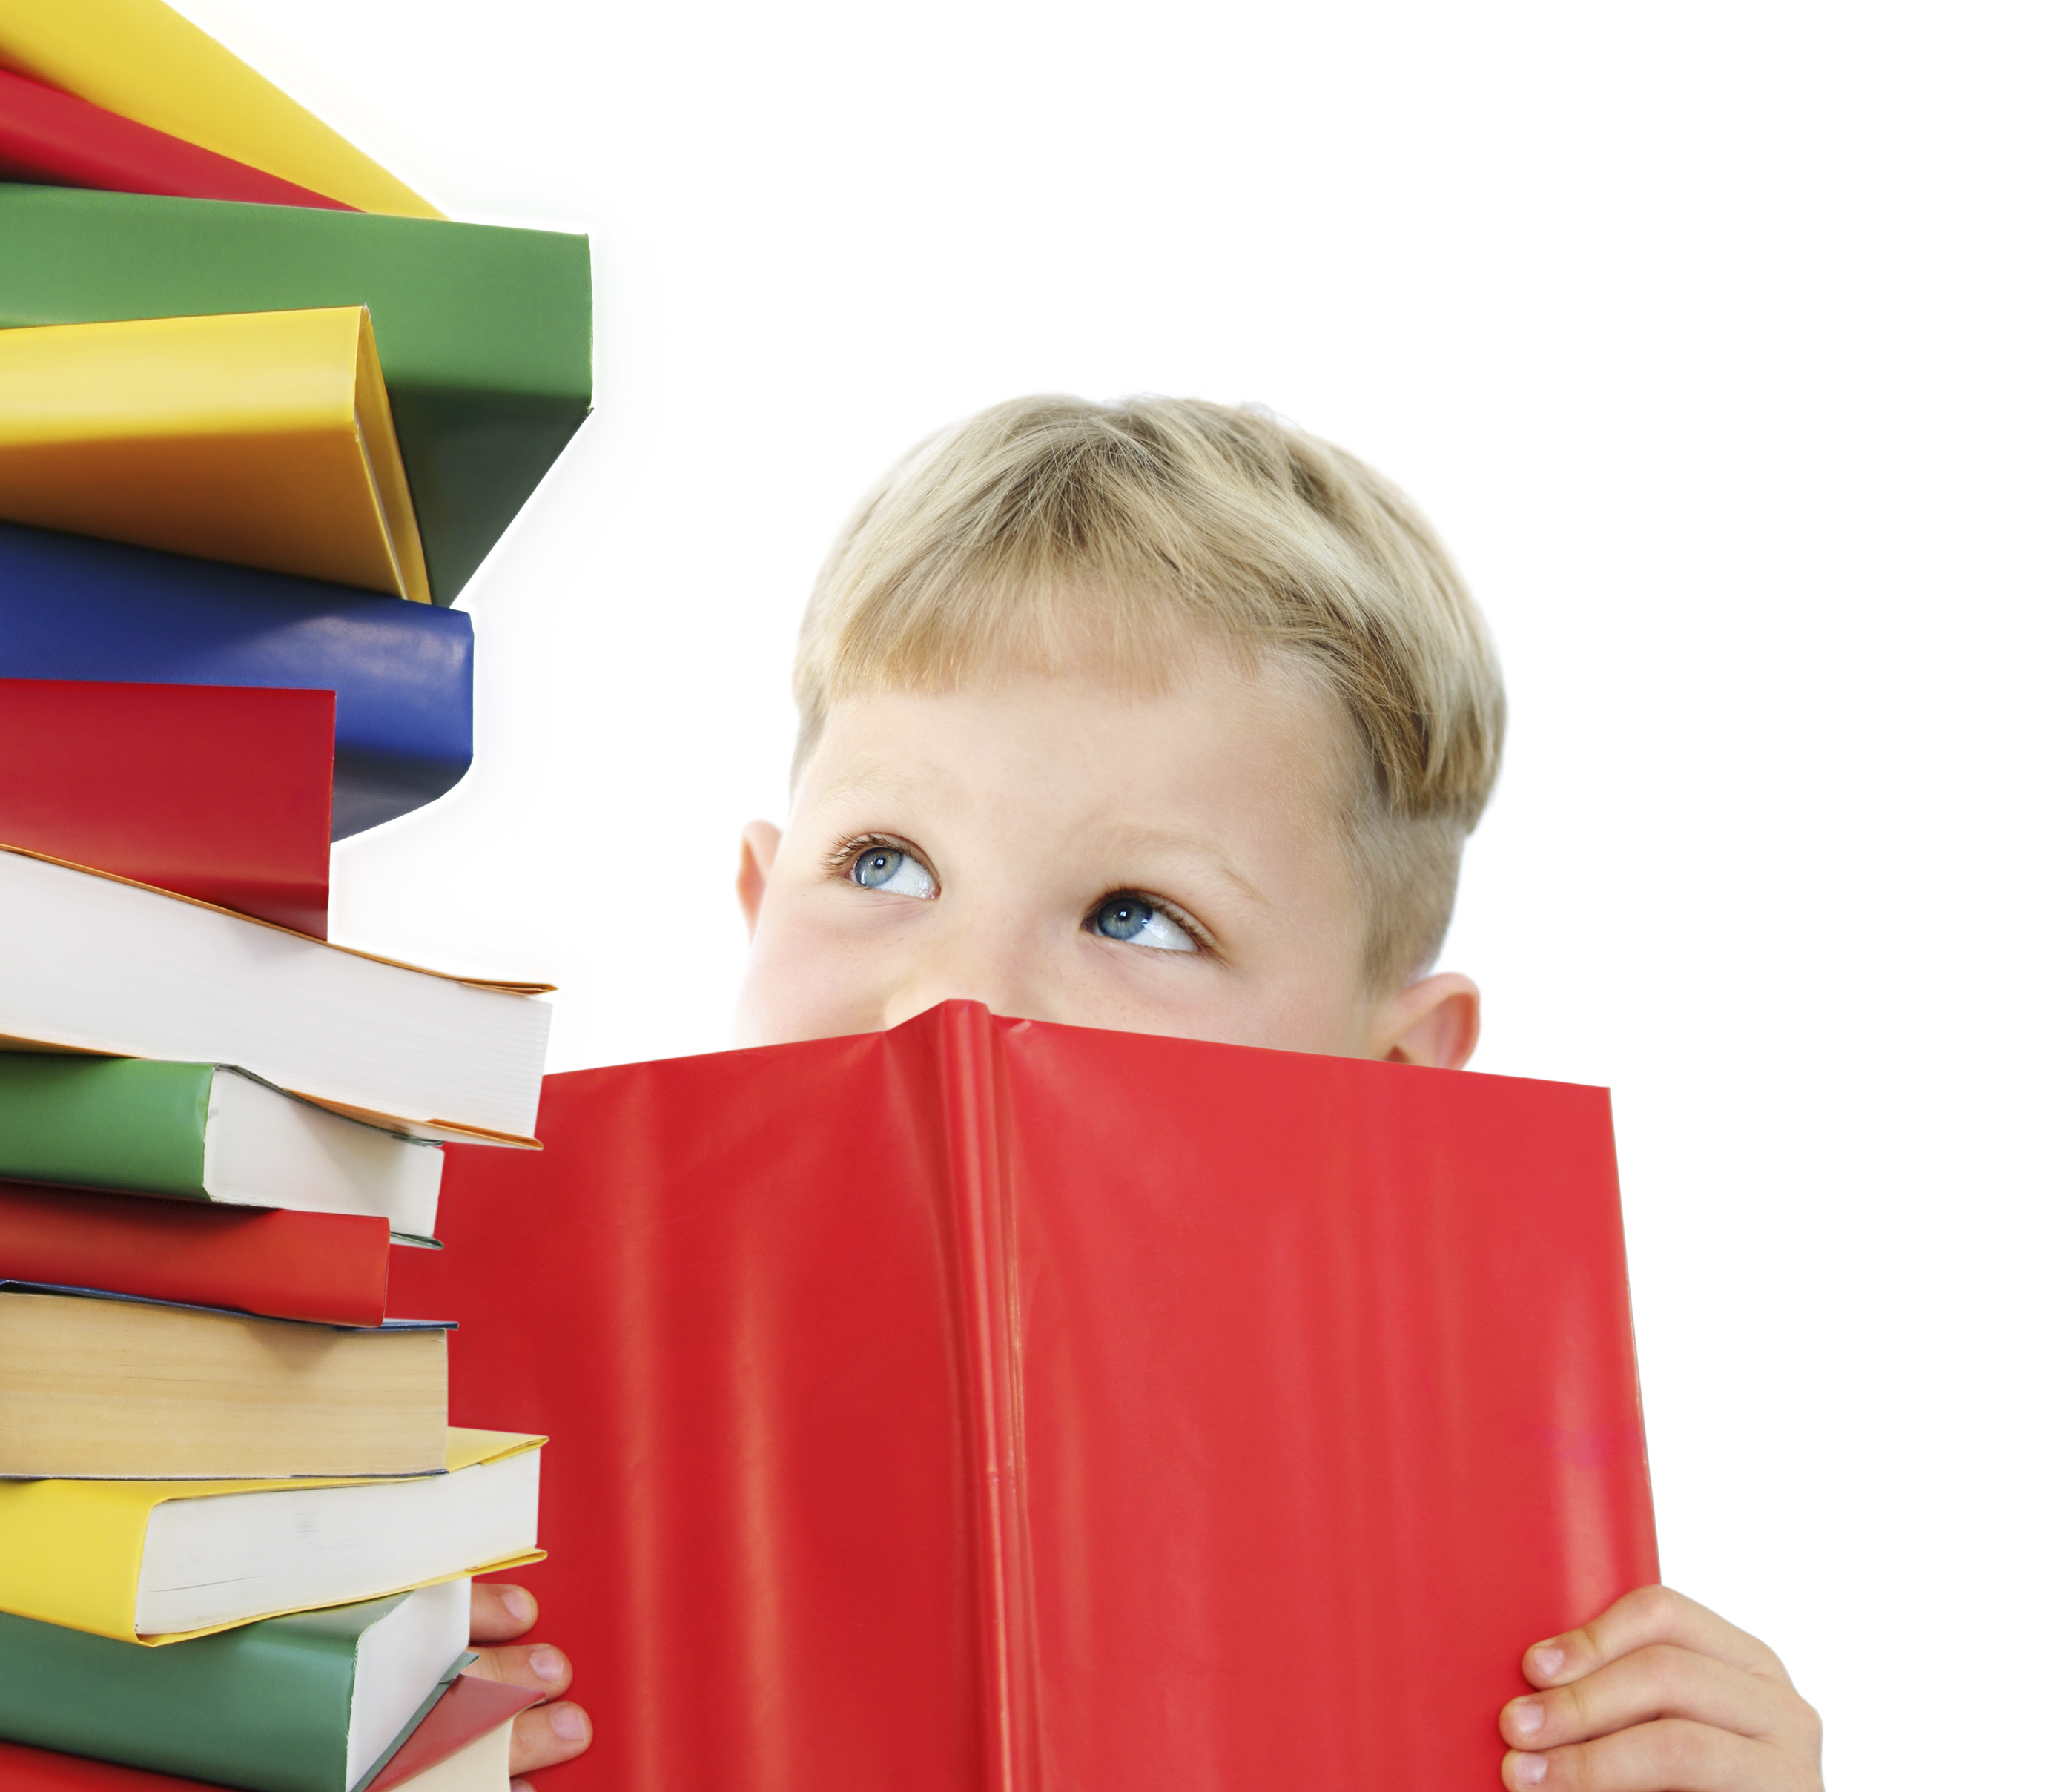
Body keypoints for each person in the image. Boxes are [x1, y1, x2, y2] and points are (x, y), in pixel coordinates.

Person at [472, 395, 1826, 1791]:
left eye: (1139, 917)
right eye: (882, 862)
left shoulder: (1537, 1673)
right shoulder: (455, 1526)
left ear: (1398, 1082)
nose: (960, 999)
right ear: (759, 902)